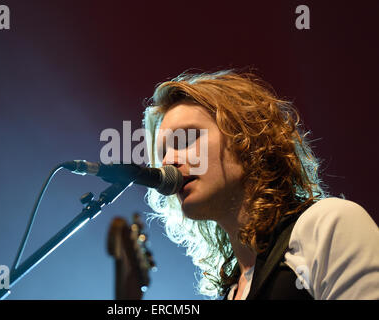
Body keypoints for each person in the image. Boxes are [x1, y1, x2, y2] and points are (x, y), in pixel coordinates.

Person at [142, 70, 379, 300]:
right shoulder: (234, 290)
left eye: (187, 139)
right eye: (163, 152)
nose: (167, 162)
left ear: (246, 139)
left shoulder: (328, 224)